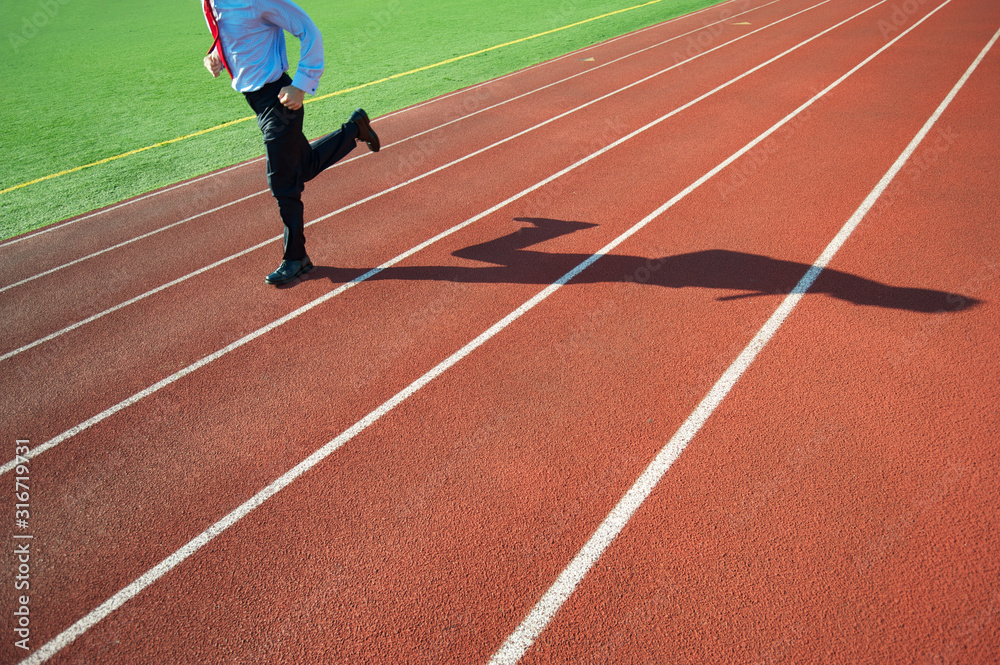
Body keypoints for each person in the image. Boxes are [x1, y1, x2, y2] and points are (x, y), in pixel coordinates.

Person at [201, 0, 381, 285]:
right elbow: (238, 33)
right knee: (304, 166)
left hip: (280, 100)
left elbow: (309, 30)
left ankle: (296, 258)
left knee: (283, 183)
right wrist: (217, 54)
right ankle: (354, 129)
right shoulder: (210, 2)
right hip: (258, 103)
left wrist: (301, 84)